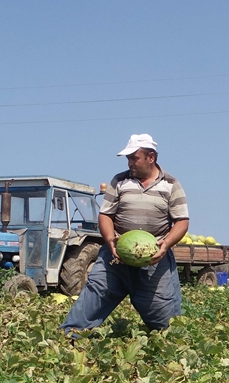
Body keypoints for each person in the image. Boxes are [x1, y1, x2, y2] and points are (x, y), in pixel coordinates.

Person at [61, 133, 189, 334]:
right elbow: (105, 215)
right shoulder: (119, 181)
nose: (130, 163)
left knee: (161, 311)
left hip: (154, 257)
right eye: (128, 159)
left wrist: (165, 245)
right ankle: (70, 335)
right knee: (96, 293)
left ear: (151, 157)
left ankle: (169, 342)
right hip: (116, 255)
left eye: (134, 158)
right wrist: (110, 240)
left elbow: (182, 221)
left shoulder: (171, 184)